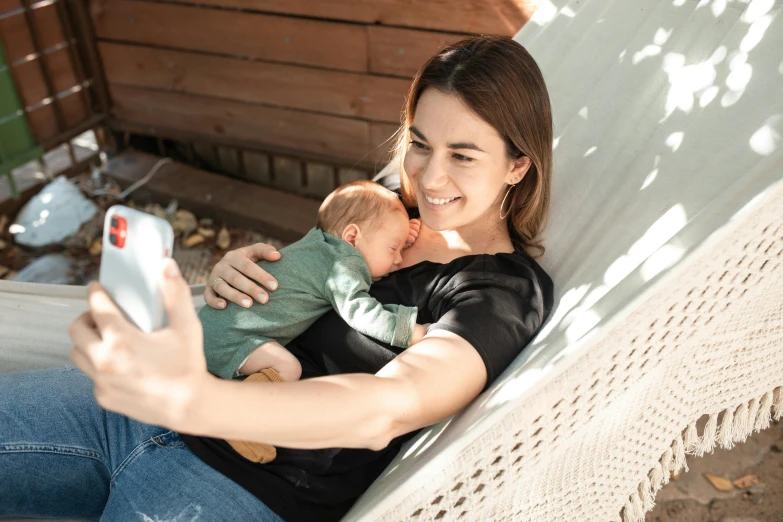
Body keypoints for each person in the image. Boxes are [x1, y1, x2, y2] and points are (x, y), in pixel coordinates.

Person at [0, 35, 555, 522]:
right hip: (142, 407)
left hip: (243, 484)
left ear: (516, 166)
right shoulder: (381, 208)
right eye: (420, 143)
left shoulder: (500, 291)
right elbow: (301, 281)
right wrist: (236, 278)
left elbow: (387, 406)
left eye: (463, 155)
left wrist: (193, 403)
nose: (430, 176)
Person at [201, 180, 428, 464]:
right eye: (394, 249)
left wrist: (399, 236)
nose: (398, 259)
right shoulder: (344, 264)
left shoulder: (318, 246)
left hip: (211, 326)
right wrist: (410, 330)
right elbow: (360, 311)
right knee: (287, 367)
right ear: (352, 237)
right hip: (230, 339)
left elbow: (377, 247)